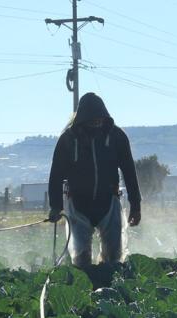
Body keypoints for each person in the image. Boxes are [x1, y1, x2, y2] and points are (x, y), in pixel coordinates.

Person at [48, 92, 141, 268]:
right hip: (78, 204)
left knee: (113, 256)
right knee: (81, 258)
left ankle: (110, 287)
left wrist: (135, 205)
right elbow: (56, 174)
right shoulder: (68, 140)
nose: (97, 122)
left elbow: (129, 171)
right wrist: (55, 206)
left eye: (100, 119)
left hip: (108, 202)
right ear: (82, 119)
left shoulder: (116, 137)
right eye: (92, 119)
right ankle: (86, 287)